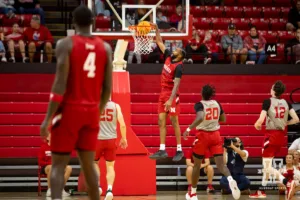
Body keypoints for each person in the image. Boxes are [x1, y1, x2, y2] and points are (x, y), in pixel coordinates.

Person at [39, 5, 112, 200]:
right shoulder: (105, 48)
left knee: (58, 166)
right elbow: (107, 89)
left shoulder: (65, 44)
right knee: (89, 166)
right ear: (93, 22)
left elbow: (59, 84)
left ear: (73, 22)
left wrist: (47, 119)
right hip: (91, 112)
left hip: (69, 110)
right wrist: (98, 110)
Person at [183, 84, 240, 200]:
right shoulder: (217, 103)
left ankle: (193, 193)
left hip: (203, 135)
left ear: (202, 93)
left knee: (196, 166)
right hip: (216, 135)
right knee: (221, 165)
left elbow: (199, 117)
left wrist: (188, 129)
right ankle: (230, 179)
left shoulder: (199, 105)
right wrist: (213, 120)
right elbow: (224, 119)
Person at [249, 81, 300, 199]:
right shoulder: (286, 102)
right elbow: (296, 119)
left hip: (271, 136)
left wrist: (257, 124)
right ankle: (261, 191)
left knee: (266, 167)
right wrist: (285, 123)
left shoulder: (268, 101)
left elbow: (260, 120)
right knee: (267, 165)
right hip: (281, 136)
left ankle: (287, 182)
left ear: (273, 90)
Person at [149, 23, 185, 162]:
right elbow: (159, 41)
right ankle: (162, 149)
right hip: (163, 93)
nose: (175, 49)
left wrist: (171, 99)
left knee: (174, 121)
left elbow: (177, 85)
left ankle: (179, 150)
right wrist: (156, 30)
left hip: (172, 94)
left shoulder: (179, 67)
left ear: (181, 55)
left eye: (178, 49)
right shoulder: (169, 56)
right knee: (160, 121)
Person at [94, 100, 128, 200]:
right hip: (111, 139)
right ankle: (109, 190)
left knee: (94, 163)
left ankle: (97, 186)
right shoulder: (116, 106)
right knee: (110, 166)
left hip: (97, 139)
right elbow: (122, 124)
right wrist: (124, 138)